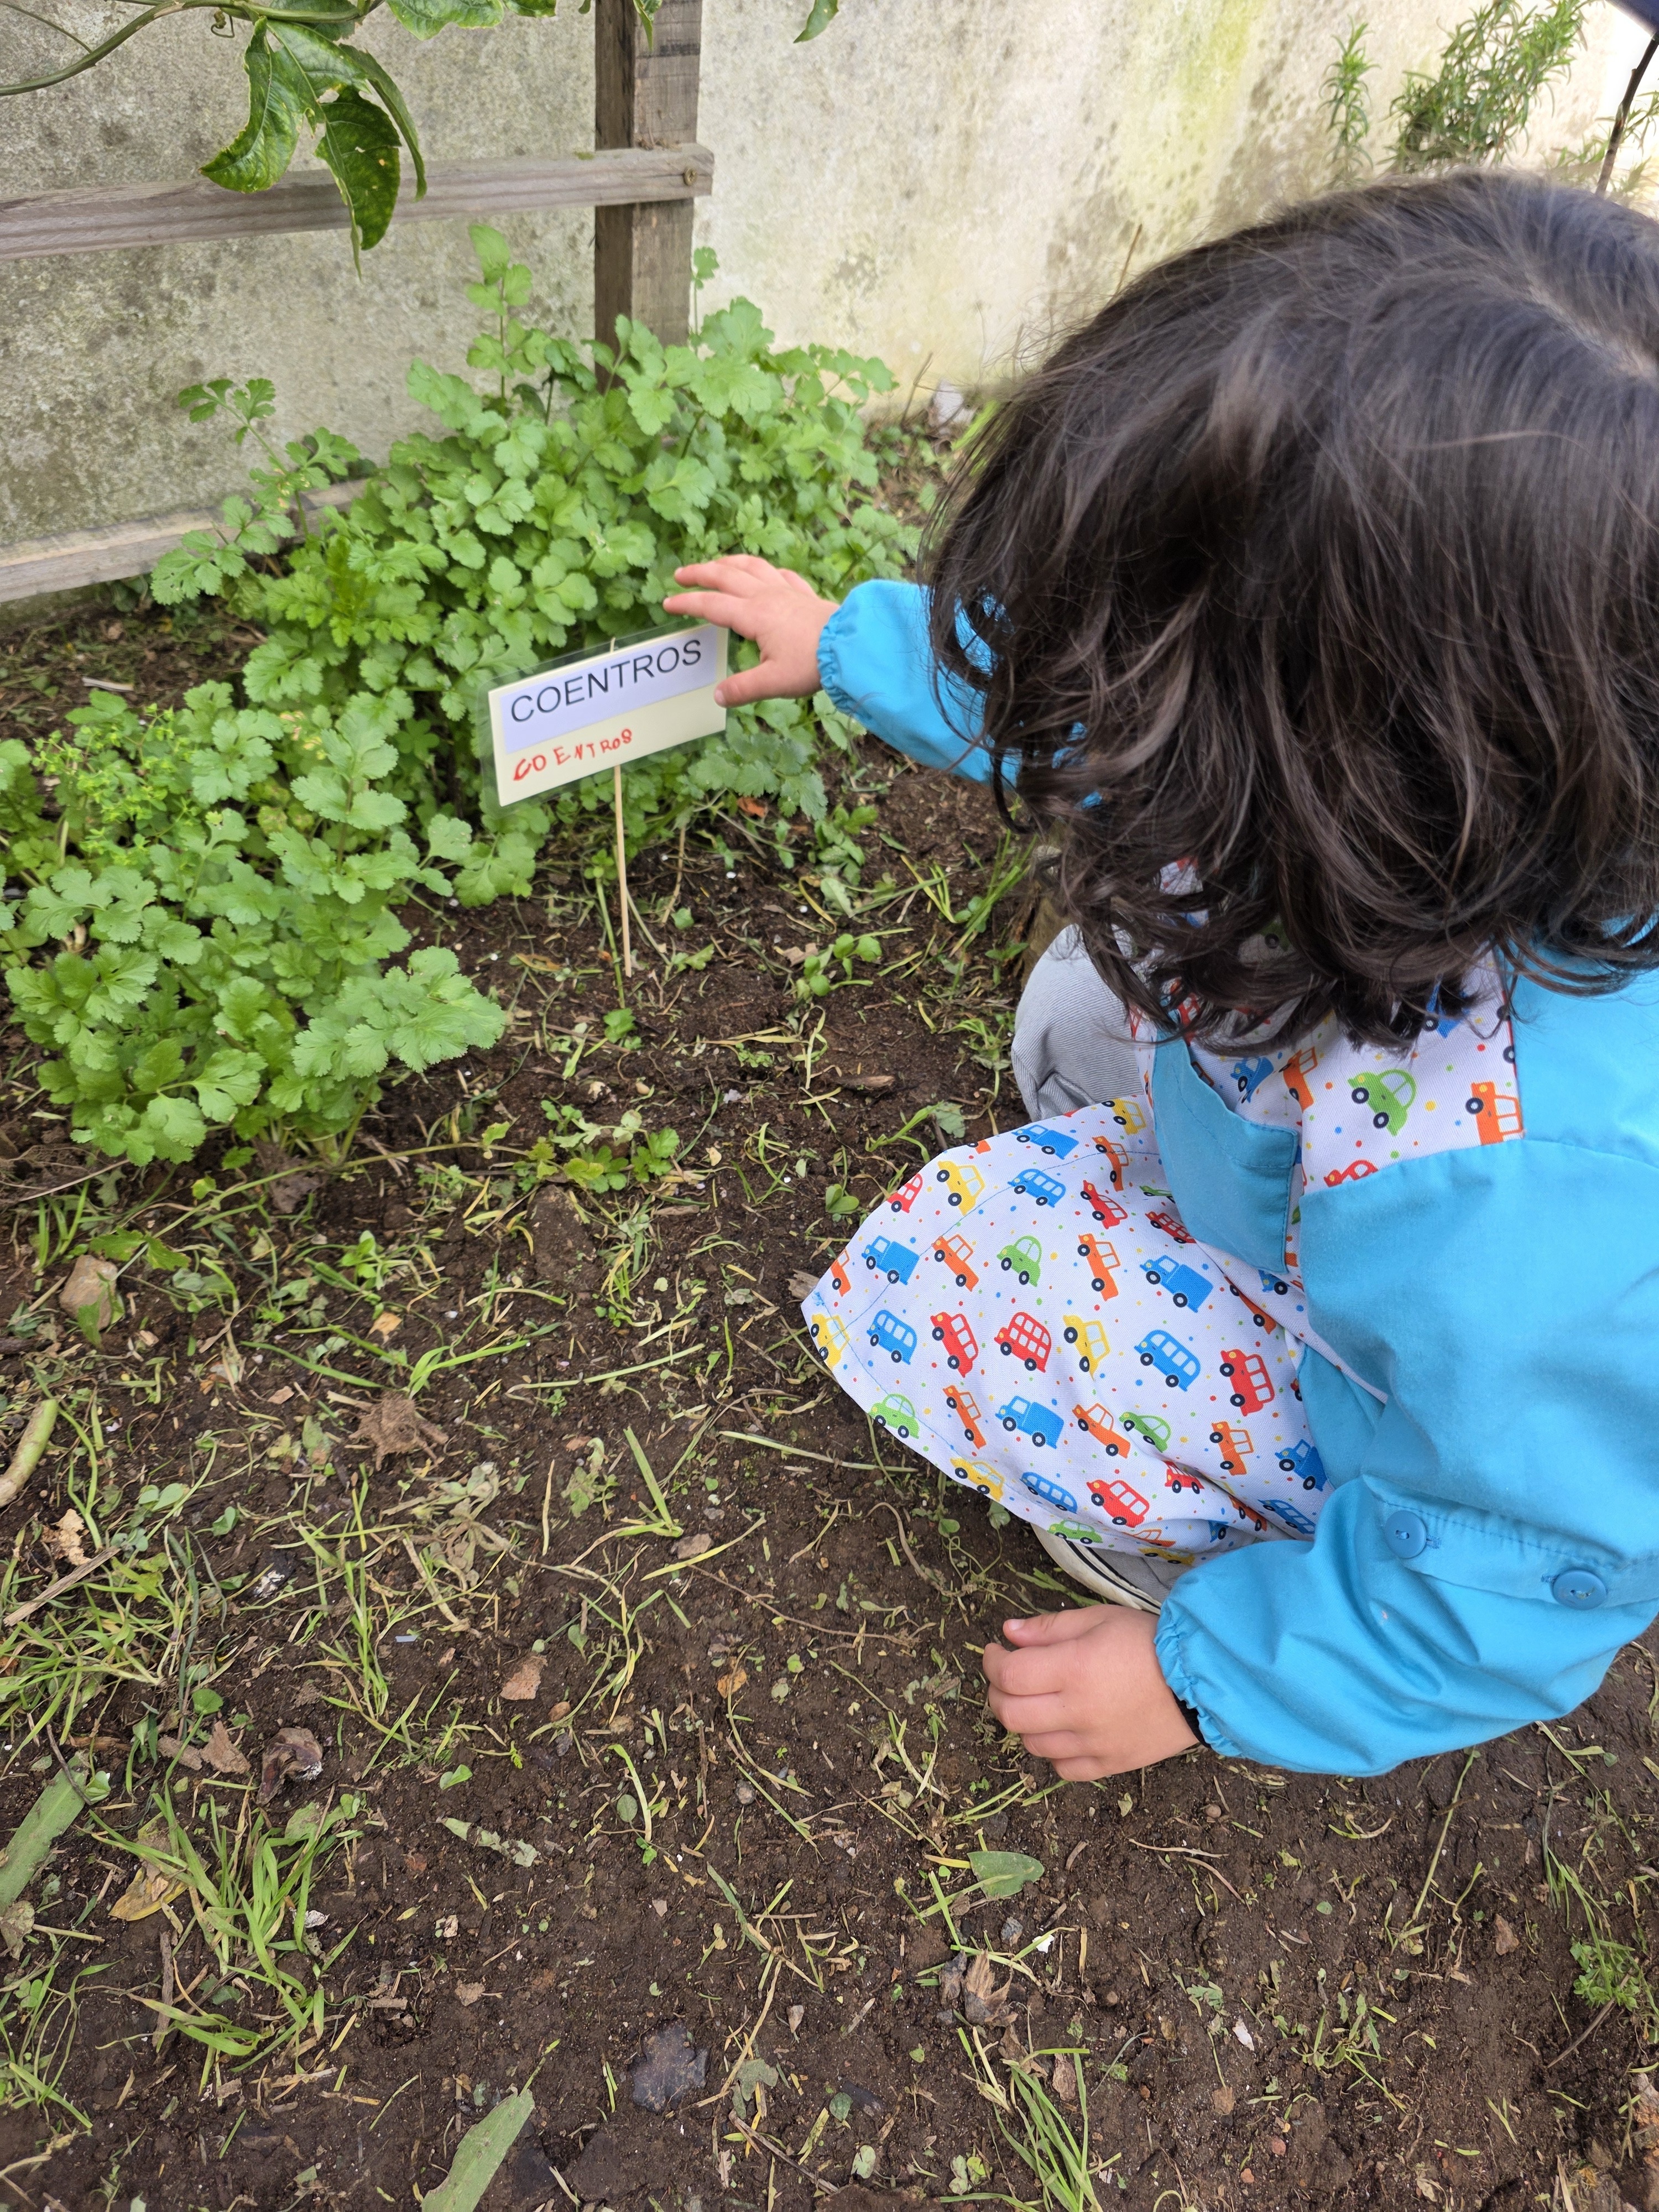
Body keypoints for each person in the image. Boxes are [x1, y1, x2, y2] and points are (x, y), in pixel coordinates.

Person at [662, 170, 1659, 1782]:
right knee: (1086, 1001)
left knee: (958, 1267)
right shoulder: (1403, 779)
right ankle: (1229, 1213)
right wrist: (852, 642)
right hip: (1332, 1165)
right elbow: (1101, 716)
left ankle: (1211, 1550)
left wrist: (1204, 1676)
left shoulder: (1538, 1193)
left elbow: (1520, 1574)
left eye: (1178, 677)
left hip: (1415, 1405)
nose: (1128, 711)